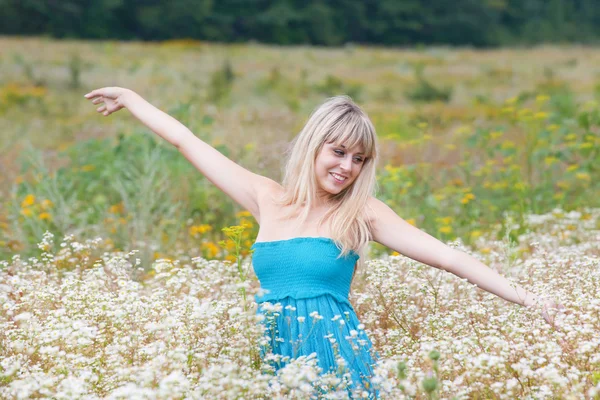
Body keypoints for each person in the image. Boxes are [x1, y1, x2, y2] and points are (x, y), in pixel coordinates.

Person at [84, 87, 566, 397]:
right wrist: (131, 98)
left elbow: (448, 257)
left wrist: (528, 299)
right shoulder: (266, 198)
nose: (347, 167)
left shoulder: (362, 214)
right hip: (272, 353)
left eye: (359, 159)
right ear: (314, 145)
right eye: (338, 151)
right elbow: (187, 141)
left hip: (338, 358)